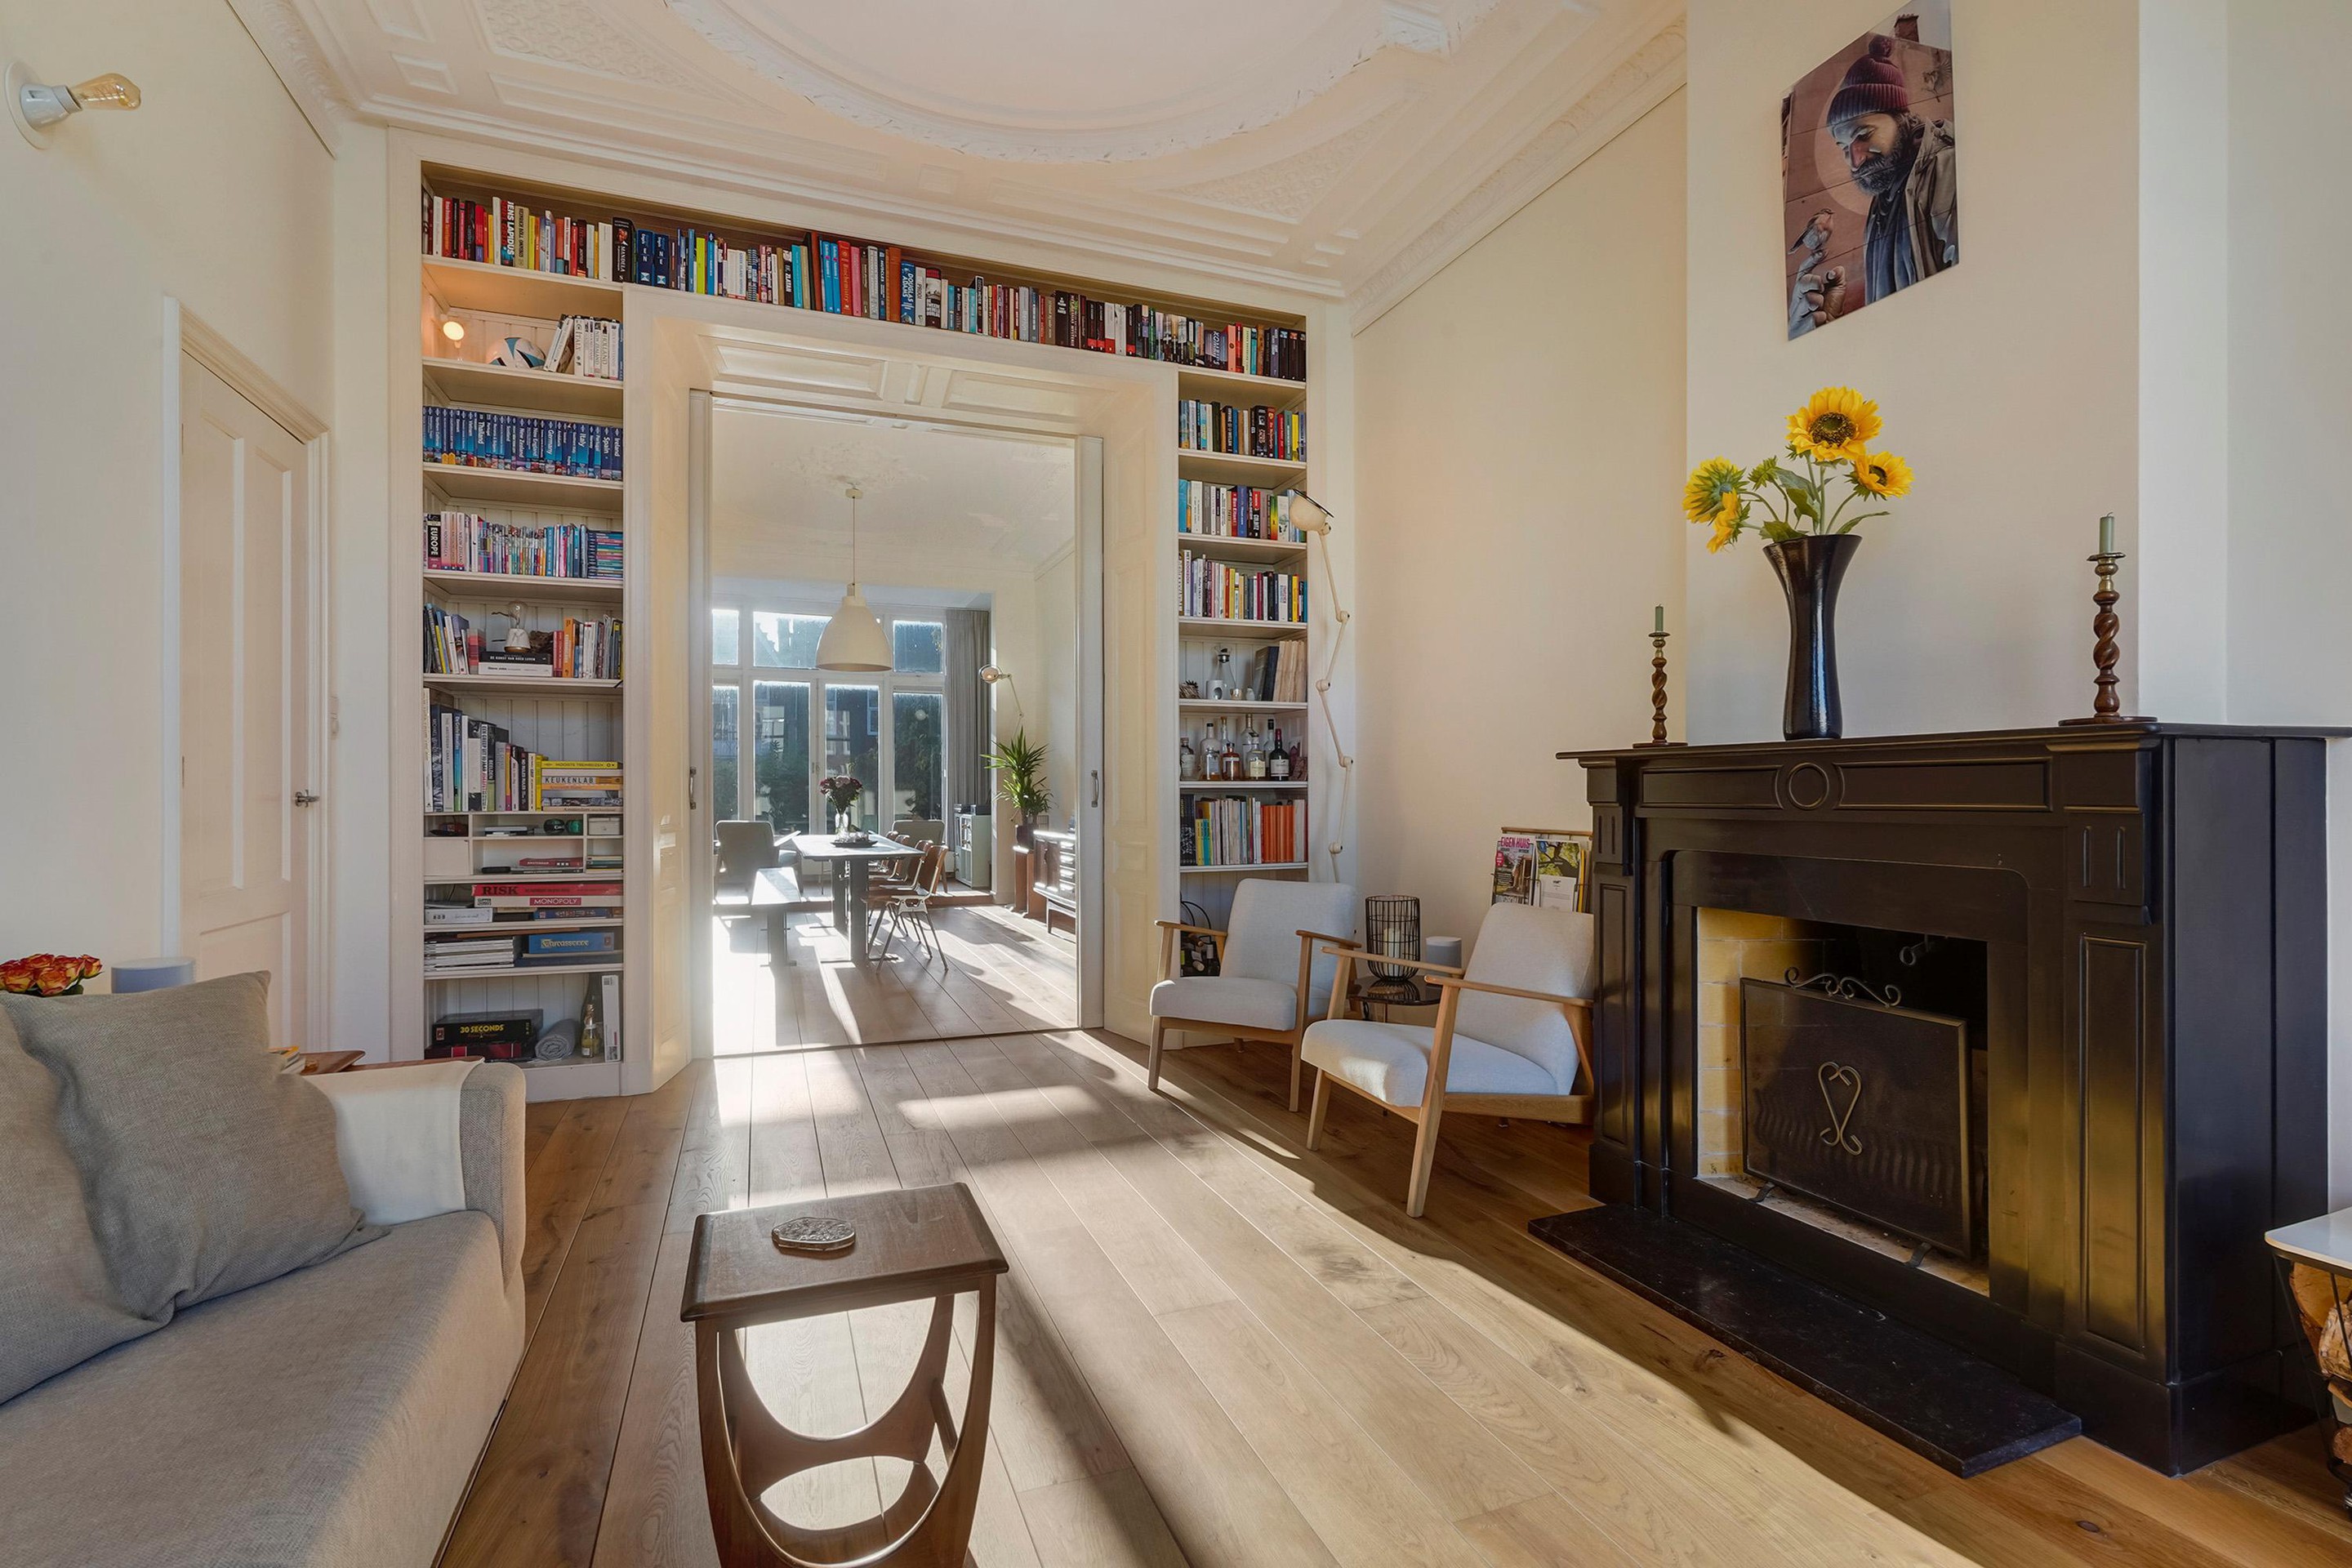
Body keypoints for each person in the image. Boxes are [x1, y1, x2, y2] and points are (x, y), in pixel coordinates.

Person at [1826, 35, 1956, 305]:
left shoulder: (1944, 166)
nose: (1855, 160)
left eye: (1863, 135)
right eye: (1844, 147)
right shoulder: (1883, 199)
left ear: (1901, 119)